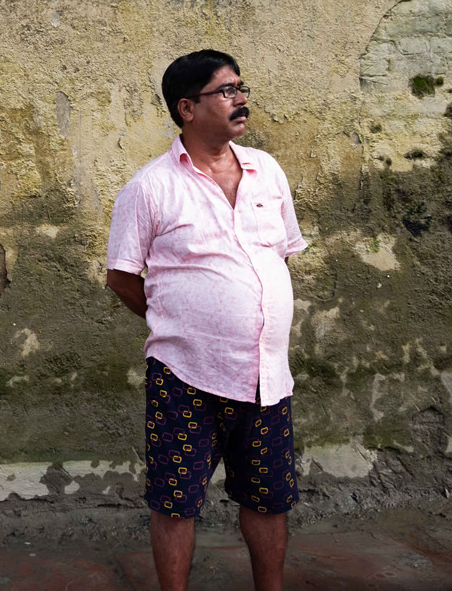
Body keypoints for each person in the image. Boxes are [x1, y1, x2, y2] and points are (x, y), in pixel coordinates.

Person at [105, 50, 306, 591]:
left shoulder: (268, 172)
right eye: (226, 91)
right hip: (185, 376)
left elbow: (279, 257)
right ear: (187, 108)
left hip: (267, 375)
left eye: (241, 87)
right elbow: (122, 277)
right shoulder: (150, 187)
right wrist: (184, 321)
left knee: (268, 496)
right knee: (176, 500)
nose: (240, 98)